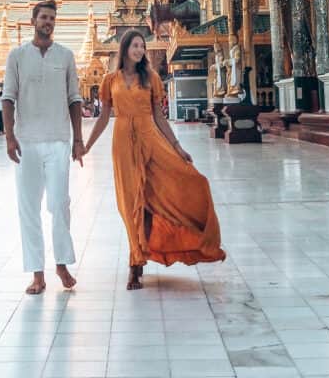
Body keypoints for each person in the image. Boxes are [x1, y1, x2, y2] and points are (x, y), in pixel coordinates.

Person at [84, 28, 225, 290]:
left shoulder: (151, 78)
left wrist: (177, 146)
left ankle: (137, 263)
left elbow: (159, 117)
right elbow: (104, 117)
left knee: (158, 196)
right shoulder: (110, 80)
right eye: (135, 46)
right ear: (125, 48)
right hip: (123, 143)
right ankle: (136, 258)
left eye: (142, 47)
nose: (139, 50)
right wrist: (86, 145)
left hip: (151, 141)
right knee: (130, 204)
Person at [2, 0, 85, 295]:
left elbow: (75, 98)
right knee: (28, 208)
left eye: (52, 18)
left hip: (59, 141)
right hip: (27, 142)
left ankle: (62, 263)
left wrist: (78, 140)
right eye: (43, 17)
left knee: (59, 204)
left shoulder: (65, 56)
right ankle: (38, 274)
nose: (48, 22)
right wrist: (9, 137)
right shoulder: (17, 56)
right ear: (33, 21)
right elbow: (8, 98)